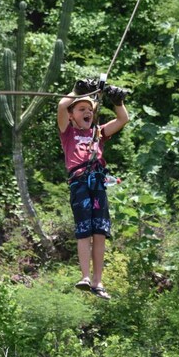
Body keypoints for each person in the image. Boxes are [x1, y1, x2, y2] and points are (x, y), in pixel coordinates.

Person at [57, 79, 130, 299]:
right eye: (81, 109)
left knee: (100, 231)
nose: (87, 112)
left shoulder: (98, 133)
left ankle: (98, 282)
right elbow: (62, 105)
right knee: (84, 231)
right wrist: (77, 91)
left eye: (90, 109)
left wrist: (117, 102)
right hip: (79, 183)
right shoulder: (67, 131)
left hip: (97, 183)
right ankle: (85, 277)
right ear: (72, 115)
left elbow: (123, 119)